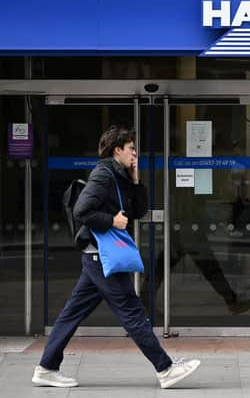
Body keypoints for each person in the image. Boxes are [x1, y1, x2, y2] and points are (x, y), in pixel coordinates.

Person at [32, 126, 201, 389]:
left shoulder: (119, 175)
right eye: (131, 148)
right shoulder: (103, 173)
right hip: (103, 257)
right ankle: (165, 368)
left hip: (97, 257)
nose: (135, 153)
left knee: (72, 313)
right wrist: (111, 220)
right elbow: (81, 210)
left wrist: (135, 180)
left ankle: (46, 367)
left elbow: (139, 210)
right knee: (132, 311)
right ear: (117, 150)